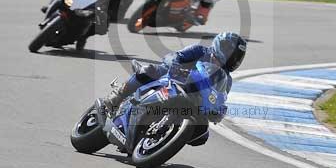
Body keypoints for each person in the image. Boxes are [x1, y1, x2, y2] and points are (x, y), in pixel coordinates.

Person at [102, 32, 247, 113]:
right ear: (221, 46)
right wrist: (176, 66)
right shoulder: (199, 51)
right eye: (232, 53)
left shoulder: (226, 79)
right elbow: (174, 56)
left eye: (237, 56)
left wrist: (219, 109)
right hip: (172, 78)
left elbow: (220, 97)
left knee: (202, 135)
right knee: (149, 70)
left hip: (192, 100)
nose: (234, 59)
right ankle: (117, 96)